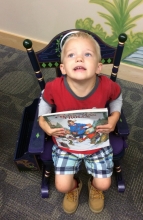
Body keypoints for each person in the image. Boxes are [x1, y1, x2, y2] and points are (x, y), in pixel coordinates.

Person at [38, 31, 123, 214]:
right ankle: (74, 186)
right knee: (62, 186)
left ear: (98, 67)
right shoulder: (55, 86)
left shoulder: (106, 85)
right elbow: (44, 101)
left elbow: (117, 97)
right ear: (63, 68)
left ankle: (94, 186)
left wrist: (114, 117)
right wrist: (43, 121)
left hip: (97, 143)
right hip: (66, 144)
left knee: (104, 183)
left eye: (87, 54)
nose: (79, 59)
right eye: (71, 55)